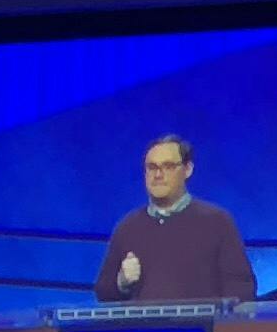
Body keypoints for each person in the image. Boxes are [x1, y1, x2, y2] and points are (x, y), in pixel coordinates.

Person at [94, 130, 257, 304]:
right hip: (144, 330)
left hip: (200, 329)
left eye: (168, 166)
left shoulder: (217, 221)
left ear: (187, 169)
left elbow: (242, 289)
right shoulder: (128, 227)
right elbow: (104, 293)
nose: (158, 175)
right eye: (152, 167)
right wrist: (122, 282)